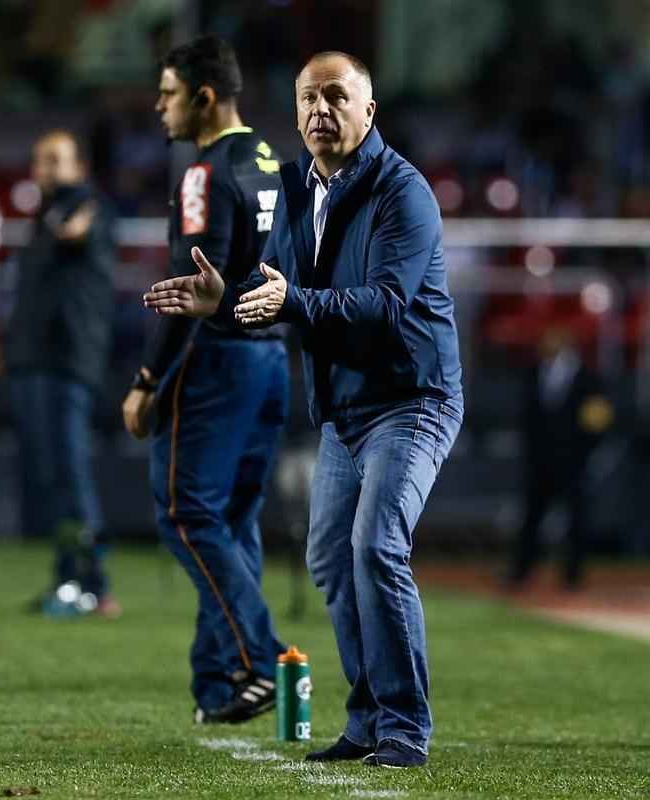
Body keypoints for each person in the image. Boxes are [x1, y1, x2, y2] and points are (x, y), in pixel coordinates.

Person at [145, 51, 463, 767]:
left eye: (336, 97)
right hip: (347, 409)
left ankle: (404, 727)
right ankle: (367, 719)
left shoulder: (401, 192)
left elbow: (382, 305)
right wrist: (217, 300)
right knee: (328, 556)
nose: (319, 110)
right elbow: (268, 291)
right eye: (307, 99)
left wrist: (293, 301)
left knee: (374, 546)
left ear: (368, 110)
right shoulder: (295, 185)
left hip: (412, 400)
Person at [122, 34, 289, 725]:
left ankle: (261, 660)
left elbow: (192, 288)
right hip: (271, 357)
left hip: (216, 359)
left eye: (166, 94)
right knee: (233, 521)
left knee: (186, 514)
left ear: (203, 97)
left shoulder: (202, 172)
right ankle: (219, 684)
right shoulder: (270, 161)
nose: (158, 107)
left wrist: (146, 377)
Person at [0, 130, 119, 618]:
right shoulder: (41, 217)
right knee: (54, 480)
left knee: (72, 477)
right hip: (33, 360)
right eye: (40, 160)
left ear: (78, 167)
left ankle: (95, 584)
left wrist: (76, 214)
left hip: (68, 361)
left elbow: (77, 229)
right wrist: (4, 346)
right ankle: (67, 580)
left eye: (56, 160)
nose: (46, 169)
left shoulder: (89, 205)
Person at [507, 327, 613, 589]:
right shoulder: (534, 374)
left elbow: (597, 419)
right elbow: (528, 417)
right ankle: (522, 571)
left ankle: (573, 575)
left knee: (577, 517)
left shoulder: (588, 377)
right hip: (540, 461)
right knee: (532, 517)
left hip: (572, 461)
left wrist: (584, 454)